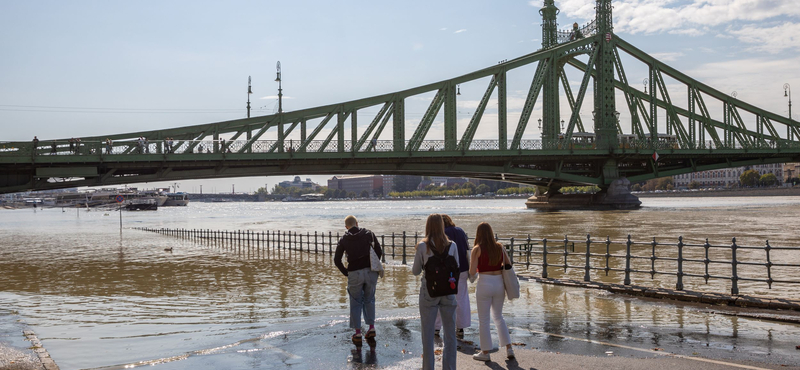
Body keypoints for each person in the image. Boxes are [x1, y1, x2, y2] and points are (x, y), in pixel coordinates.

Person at [412, 214, 459, 370]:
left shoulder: (422, 246)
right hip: (448, 291)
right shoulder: (452, 245)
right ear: (442, 226)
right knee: (450, 335)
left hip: (429, 292)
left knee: (427, 334)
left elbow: (416, 271)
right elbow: (457, 267)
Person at [334, 215, 382, 344]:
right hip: (370, 271)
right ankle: (371, 328)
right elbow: (379, 251)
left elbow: (336, 260)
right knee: (370, 299)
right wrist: (372, 265)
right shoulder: (369, 234)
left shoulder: (344, 239)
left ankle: (357, 333)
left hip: (354, 273)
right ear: (357, 223)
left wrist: (347, 273)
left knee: (355, 302)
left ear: (346, 227)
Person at [470, 222, 514, 361]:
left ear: (478, 234)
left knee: (484, 319)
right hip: (499, 283)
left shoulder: (477, 249)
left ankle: (485, 352)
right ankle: (509, 348)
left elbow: (472, 272)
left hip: (484, 283)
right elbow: (508, 265)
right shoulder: (499, 247)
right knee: (498, 316)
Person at [433, 215, 471, 338]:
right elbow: (467, 250)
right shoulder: (460, 231)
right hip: (463, 269)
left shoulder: (441, 233)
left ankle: (436, 328)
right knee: (461, 299)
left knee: (440, 298)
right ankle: (460, 327)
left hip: (446, 271)